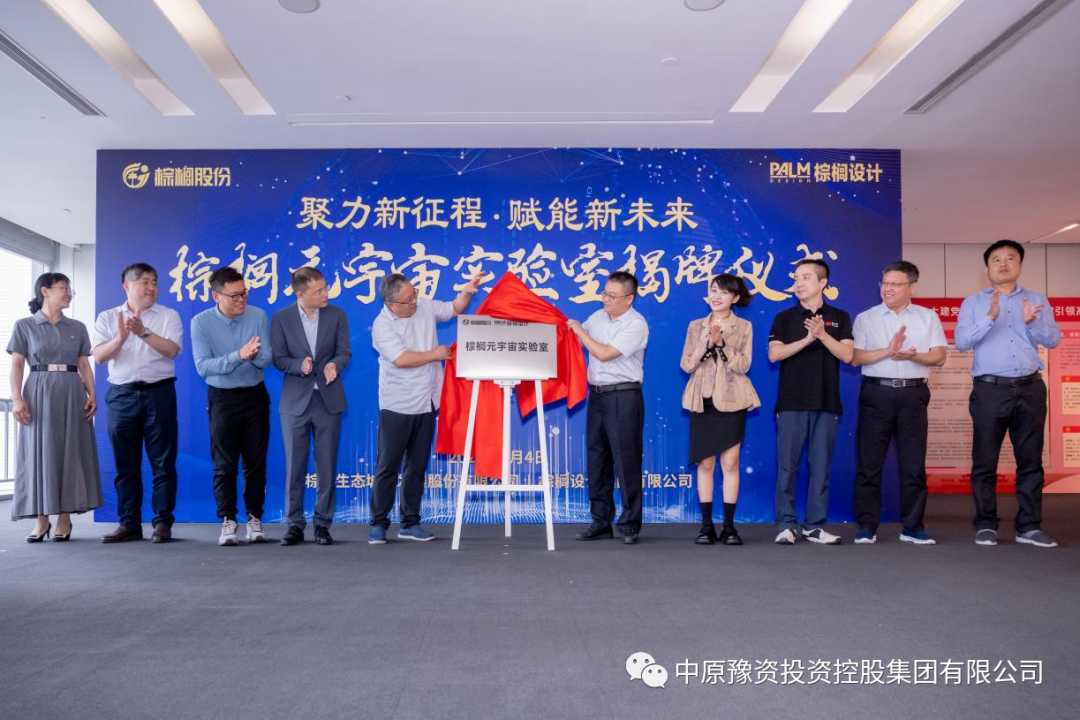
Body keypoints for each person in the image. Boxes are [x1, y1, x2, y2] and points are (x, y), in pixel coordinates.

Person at [955, 240, 1061, 548]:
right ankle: (986, 524)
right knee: (984, 460)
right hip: (990, 389)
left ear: (1020, 265)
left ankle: (1028, 526)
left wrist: (1033, 321)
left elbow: (1053, 340)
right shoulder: (973, 303)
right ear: (987, 268)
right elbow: (961, 342)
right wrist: (989, 317)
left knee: (1030, 461)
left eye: (1010, 258)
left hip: (1030, 388)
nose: (1003, 263)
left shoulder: (1037, 300)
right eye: (996, 259)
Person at [368, 271, 482, 544]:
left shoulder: (424, 306)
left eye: (414, 295)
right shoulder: (382, 325)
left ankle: (410, 522)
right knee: (388, 465)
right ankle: (379, 523)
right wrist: (436, 354)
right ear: (390, 303)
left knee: (417, 466)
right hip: (397, 403)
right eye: (408, 300)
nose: (414, 302)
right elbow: (400, 359)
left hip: (427, 400)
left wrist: (466, 292)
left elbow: (454, 308)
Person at [851, 261, 946, 545]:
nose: (887, 288)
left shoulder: (928, 317)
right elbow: (856, 357)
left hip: (913, 395)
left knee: (913, 464)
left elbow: (939, 356)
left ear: (912, 287)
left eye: (895, 284)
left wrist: (912, 356)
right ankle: (867, 526)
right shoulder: (866, 318)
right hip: (876, 394)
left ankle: (913, 527)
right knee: (869, 463)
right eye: (884, 283)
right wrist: (888, 351)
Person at [93, 263, 184, 543]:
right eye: (145, 281)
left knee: (163, 463)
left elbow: (172, 350)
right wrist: (121, 338)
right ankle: (129, 523)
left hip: (159, 393)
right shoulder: (108, 317)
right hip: (121, 396)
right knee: (125, 465)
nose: (151, 287)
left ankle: (162, 523)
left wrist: (143, 332)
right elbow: (99, 357)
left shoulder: (168, 315)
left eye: (155, 282)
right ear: (127, 286)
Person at [8, 273, 102, 541]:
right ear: (45, 291)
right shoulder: (24, 325)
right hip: (38, 390)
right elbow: (17, 365)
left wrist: (92, 393)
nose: (69, 293)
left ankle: (64, 519)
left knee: (71, 450)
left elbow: (83, 364)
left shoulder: (77, 327)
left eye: (70, 289)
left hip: (72, 390)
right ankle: (41, 520)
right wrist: (17, 398)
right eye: (64, 288)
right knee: (40, 452)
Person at [768, 258, 853, 545]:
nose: (798, 283)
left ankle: (814, 526)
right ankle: (786, 524)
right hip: (791, 402)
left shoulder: (839, 316)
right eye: (796, 278)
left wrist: (822, 335)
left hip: (827, 403)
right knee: (787, 467)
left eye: (805, 277)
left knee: (821, 467)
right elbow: (774, 354)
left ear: (823, 283)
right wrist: (807, 339)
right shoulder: (784, 317)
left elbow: (848, 355)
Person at [191, 266, 272, 546]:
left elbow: (267, 358)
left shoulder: (258, 315)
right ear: (216, 296)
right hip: (222, 399)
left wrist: (254, 355)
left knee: (255, 463)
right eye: (235, 296)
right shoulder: (201, 323)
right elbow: (203, 366)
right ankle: (228, 520)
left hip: (255, 396)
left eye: (244, 294)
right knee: (224, 465)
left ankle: (254, 518)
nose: (241, 300)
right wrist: (239, 355)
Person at [271, 267, 351, 546]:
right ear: (301, 295)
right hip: (295, 402)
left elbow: (344, 352)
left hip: (327, 399)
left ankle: (322, 524)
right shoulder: (281, 318)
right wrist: (298, 365)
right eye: (319, 291)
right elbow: (278, 358)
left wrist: (334, 365)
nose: (326, 293)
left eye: (325, 287)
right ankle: (294, 523)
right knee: (295, 465)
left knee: (326, 465)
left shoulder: (337, 315)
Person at [567, 271, 648, 545]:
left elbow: (603, 353)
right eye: (604, 293)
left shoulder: (636, 324)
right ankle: (601, 521)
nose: (606, 299)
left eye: (612, 296)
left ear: (629, 299)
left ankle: (630, 523)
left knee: (626, 459)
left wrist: (579, 330)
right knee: (597, 457)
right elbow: (572, 338)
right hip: (598, 396)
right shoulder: (597, 317)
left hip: (624, 396)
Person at [680, 274, 760, 545]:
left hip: (732, 399)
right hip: (702, 400)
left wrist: (723, 344)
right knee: (705, 463)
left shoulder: (744, 326)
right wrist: (707, 343)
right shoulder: (695, 326)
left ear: (735, 298)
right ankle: (706, 527)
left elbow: (744, 365)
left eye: (724, 292)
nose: (716, 296)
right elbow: (687, 365)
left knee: (730, 463)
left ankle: (729, 527)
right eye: (713, 290)